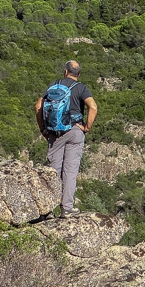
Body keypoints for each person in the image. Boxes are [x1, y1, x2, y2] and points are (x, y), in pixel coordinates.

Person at [36, 60, 98, 217]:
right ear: (79, 74)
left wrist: (43, 128)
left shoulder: (53, 86)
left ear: (65, 72)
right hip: (75, 131)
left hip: (54, 134)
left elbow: (38, 106)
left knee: (53, 171)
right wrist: (87, 128)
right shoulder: (81, 88)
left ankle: (47, 210)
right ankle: (67, 209)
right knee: (70, 171)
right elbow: (93, 107)